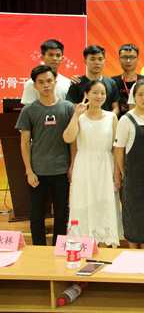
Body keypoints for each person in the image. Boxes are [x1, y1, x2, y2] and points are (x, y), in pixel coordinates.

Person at [16, 65, 74, 245]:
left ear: (55, 82)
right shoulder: (29, 110)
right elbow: (24, 143)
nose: (46, 85)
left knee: (62, 213)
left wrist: (72, 166)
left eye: (49, 81)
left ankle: (59, 247)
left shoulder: (68, 108)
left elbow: (73, 142)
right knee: (36, 214)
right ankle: (39, 249)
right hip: (38, 172)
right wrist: (29, 171)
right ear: (35, 86)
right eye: (41, 82)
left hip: (61, 171)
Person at [63, 80, 122, 246]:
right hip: (84, 165)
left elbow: (116, 147)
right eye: (95, 92)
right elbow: (68, 138)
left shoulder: (111, 117)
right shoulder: (80, 117)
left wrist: (117, 172)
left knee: (104, 203)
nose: (99, 96)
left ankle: (104, 242)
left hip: (105, 165)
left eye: (102, 93)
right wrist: (76, 115)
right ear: (86, 94)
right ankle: (82, 243)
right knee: (82, 202)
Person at [113, 79, 144, 249]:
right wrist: (122, 173)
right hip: (134, 176)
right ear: (134, 97)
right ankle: (133, 252)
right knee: (134, 214)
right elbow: (119, 149)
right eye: (141, 94)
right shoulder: (126, 120)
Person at [66, 45, 120, 115]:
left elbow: (116, 108)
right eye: (92, 59)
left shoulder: (111, 83)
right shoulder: (77, 82)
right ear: (85, 61)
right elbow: (71, 107)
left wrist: (109, 118)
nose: (97, 62)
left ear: (104, 61)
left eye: (100, 59)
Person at [21, 39, 72, 105]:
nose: (54, 58)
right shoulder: (31, 83)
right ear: (42, 57)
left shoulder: (68, 83)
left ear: (62, 58)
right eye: (51, 55)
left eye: (58, 55)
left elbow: (70, 109)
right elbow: (29, 109)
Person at [112, 43, 144, 117]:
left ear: (137, 59)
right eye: (124, 57)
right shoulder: (112, 82)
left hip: (142, 121)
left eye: (132, 57)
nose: (128, 60)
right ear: (119, 59)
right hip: (118, 122)